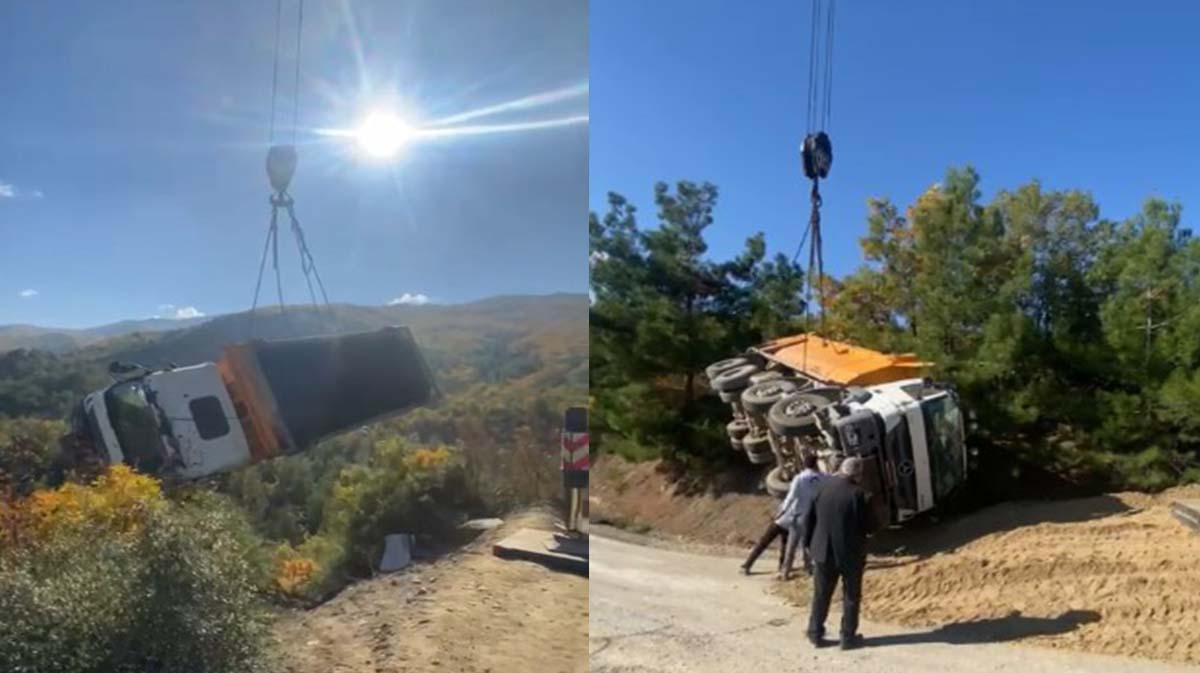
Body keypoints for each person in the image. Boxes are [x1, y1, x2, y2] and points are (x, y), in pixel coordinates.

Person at [802, 456, 879, 650]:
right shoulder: (861, 495)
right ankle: (847, 637)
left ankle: (815, 633)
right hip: (850, 554)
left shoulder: (822, 489)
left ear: (842, 470)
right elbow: (871, 526)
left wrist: (807, 545)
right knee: (851, 595)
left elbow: (808, 520)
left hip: (822, 551)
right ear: (858, 475)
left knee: (821, 594)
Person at [776, 452, 823, 580]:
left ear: (805, 464)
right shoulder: (822, 477)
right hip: (814, 516)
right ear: (816, 463)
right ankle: (809, 568)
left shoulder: (800, 478)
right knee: (809, 543)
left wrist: (783, 510)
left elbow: (791, 497)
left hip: (799, 516)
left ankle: (785, 571)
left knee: (792, 544)